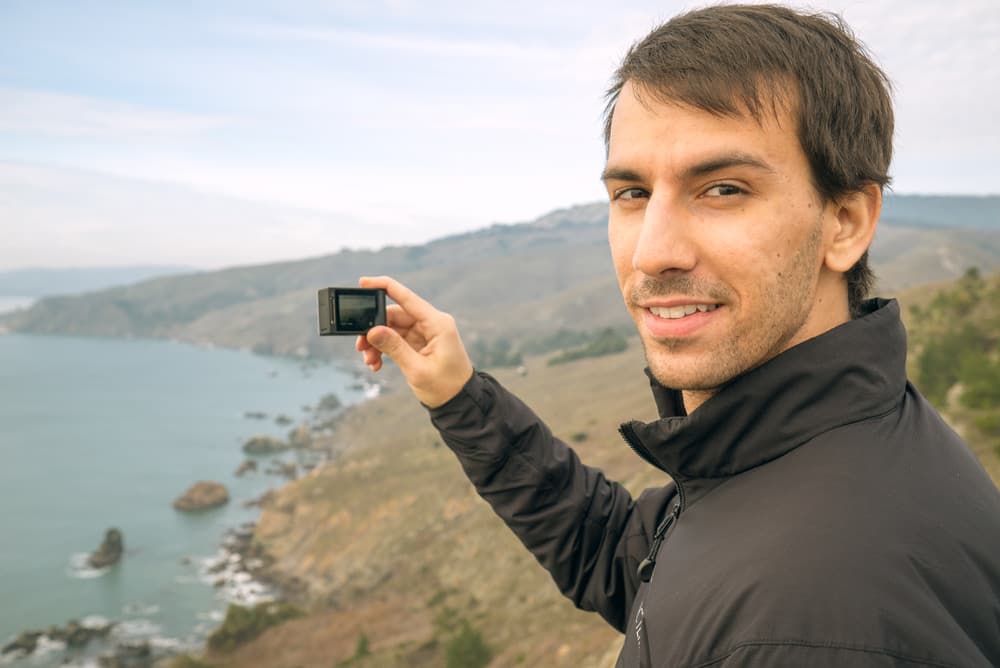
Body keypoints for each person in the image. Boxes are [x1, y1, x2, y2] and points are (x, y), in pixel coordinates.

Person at [355, 4, 1000, 667]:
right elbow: (627, 562)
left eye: (722, 189)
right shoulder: (796, 447)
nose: (653, 252)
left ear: (845, 222)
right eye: (632, 194)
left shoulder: (810, 621)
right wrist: (459, 396)